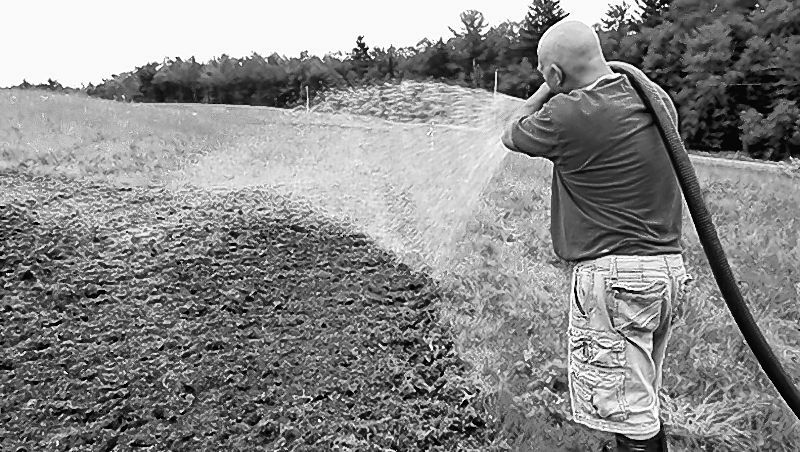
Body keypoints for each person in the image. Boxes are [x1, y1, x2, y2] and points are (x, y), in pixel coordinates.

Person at [500, 20, 694, 452]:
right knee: (640, 393)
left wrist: (546, 90)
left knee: (631, 411)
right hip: (666, 272)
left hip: (616, 278)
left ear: (554, 75)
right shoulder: (654, 97)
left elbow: (512, 130)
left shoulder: (569, 114)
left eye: (542, 71)